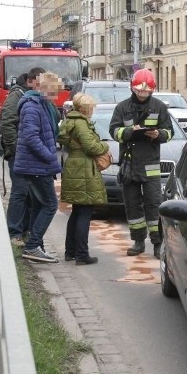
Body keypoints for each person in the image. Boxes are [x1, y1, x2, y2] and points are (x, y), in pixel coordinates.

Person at [109, 68, 173, 258]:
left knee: (154, 204)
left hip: (151, 164)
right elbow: (114, 131)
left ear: (152, 90)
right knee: (132, 205)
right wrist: (129, 132)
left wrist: (158, 134)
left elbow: (169, 132)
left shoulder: (159, 107)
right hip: (129, 165)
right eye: (140, 90)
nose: (143, 94)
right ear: (133, 89)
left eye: (147, 91)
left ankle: (157, 243)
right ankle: (138, 241)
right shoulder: (122, 108)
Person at [12, 70, 63, 263]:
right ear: (42, 89)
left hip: (35, 164)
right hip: (35, 165)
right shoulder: (32, 107)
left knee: (38, 205)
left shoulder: (39, 104)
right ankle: (33, 246)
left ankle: (35, 245)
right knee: (50, 204)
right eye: (53, 92)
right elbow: (31, 137)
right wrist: (49, 156)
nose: (55, 97)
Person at [58, 93, 110, 265]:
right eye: (91, 107)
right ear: (85, 108)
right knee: (85, 212)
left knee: (77, 211)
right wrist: (105, 145)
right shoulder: (81, 123)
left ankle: (70, 251)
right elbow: (91, 146)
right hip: (84, 168)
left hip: (74, 166)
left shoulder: (70, 120)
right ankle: (81, 254)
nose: (92, 110)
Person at [0, 72, 35, 246]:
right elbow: (7, 122)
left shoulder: (28, 97)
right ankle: (15, 232)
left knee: (29, 193)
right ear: (29, 82)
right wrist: (15, 149)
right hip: (19, 154)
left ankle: (24, 230)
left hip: (28, 155)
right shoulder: (16, 96)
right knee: (20, 192)